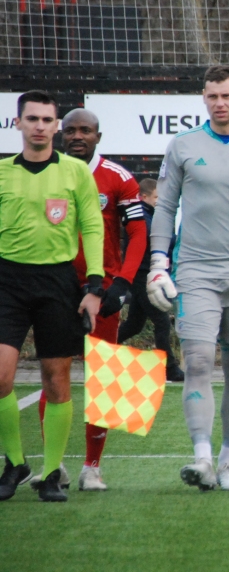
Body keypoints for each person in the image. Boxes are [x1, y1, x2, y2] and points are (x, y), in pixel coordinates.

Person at [146, 66, 229, 492]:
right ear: (203, 99)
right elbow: (165, 209)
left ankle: (228, 462)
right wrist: (158, 262)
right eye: (211, 96)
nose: (219, 103)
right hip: (196, 271)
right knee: (199, 361)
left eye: (226, 95)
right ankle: (201, 458)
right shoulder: (183, 145)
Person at [36, 107, 148, 492]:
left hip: (100, 291)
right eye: (70, 130)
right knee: (55, 374)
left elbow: (138, 234)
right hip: (53, 287)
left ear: (99, 136)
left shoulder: (118, 178)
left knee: (106, 377)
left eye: (85, 130)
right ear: (60, 135)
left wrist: (124, 283)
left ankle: (92, 467)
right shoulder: (45, 173)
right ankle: (54, 466)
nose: (77, 136)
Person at [0, 90, 104, 503]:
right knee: (1, 377)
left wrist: (94, 285)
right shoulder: (3, 172)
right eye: (32, 119)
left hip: (59, 281)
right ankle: (14, 462)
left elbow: (93, 226)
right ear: (19, 123)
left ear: (56, 126)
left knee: (56, 382)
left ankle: (50, 475)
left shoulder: (76, 172)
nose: (40, 126)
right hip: (7, 280)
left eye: (47, 120)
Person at [117, 178, 183, 383]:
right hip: (143, 276)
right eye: (156, 197)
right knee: (161, 320)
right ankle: (169, 369)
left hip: (144, 275)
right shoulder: (144, 218)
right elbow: (156, 239)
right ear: (143, 197)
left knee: (135, 324)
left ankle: (99, 348)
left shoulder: (150, 215)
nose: (159, 201)